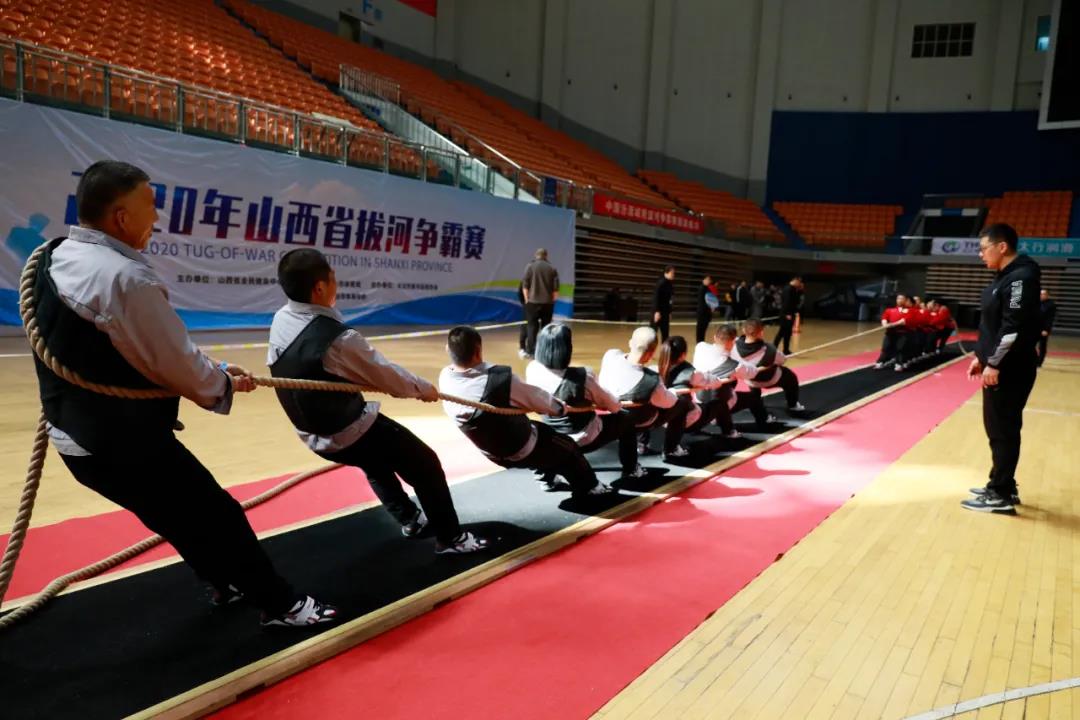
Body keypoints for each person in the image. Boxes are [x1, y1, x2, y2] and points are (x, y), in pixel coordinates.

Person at [29, 161, 335, 628]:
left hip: (75, 440)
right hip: (119, 443)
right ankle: (282, 606)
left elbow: (135, 351)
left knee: (173, 517)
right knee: (219, 515)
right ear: (121, 217)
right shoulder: (125, 278)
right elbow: (177, 365)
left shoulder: (53, 254)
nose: (157, 217)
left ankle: (222, 582)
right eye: (150, 206)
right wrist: (220, 382)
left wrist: (213, 372)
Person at [268, 248, 488, 555]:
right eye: (332, 277)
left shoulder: (281, 318)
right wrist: (423, 389)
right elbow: (388, 376)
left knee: (374, 459)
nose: (336, 282)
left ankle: (410, 519)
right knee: (425, 464)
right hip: (343, 430)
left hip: (312, 432)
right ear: (319, 287)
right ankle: (451, 539)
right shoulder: (339, 340)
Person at [439, 326, 613, 499]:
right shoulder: (501, 380)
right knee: (568, 447)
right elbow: (540, 400)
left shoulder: (445, 377)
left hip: (492, 451)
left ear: (448, 350)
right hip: (519, 446)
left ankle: (547, 479)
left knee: (543, 433)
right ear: (478, 351)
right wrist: (560, 408)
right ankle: (591, 488)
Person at [963, 223, 1041, 515]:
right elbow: (994, 324)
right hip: (1001, 365)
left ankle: (1000, 494)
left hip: (1010, 369)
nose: (981, 254)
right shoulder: (1006, 277)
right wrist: (982, 357)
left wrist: (994, 362)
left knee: (1003, 430)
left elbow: (1013, 328)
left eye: (984, 249)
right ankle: (1001, 483)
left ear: (1002, 247)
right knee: (999, 428)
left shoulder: (1020, 279)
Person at [526, 323, 644, 481]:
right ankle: (631, 469)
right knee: (626, 419)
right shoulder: (583, 377)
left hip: (552, 435)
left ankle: (549, 479)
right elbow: (613, 405)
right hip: (582, 437)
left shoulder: (532, 369)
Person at [598, 326, 693, 459]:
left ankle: (640, 444)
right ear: (652, 353)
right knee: (681, 403)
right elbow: (669, 403)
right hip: (635, 420)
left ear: (630, 343)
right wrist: (672, 391)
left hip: (611, 413)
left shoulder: (610, 355)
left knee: (645, 400)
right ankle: (671, 449)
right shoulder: (652, 379)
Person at [693, 324, 774, 430]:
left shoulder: (700, 347)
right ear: (732, 342)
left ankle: (716, 417)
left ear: (715, 337)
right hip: (717, 403)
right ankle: (765, 419)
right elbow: (752, 373)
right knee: (754, 398)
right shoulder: (734, 365)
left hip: (699, 399)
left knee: (729, 382)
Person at [656, 336, 733, 437]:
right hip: (685, 421)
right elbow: (714, 382)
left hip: (664, 421)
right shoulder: (692, 374)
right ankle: (730, 432)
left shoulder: (655, 370)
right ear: (683, 355)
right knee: (720, 403)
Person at [736, 318, 806, 415]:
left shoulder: (734, 347)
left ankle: (756, 399)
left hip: (750, 380)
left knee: (751, 374)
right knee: (791, 378)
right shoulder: (770, 349)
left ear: (743, 330)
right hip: (769, 380)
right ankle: (793, 405)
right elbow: (782, 360)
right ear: (761, 333)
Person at [521, 247, 559, 358]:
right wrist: (552, 301)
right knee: (546, 328)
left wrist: (527, 300)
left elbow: (525, 286)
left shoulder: (530, 266)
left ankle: (531, 351)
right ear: (546, 256)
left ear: (536, 255)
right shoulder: (552, 268)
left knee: (532, 327)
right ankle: (545, 351)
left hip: (532, 302)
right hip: (547, 303)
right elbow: (556, 290)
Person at [874, 293, 910, 369]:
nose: (899, 300)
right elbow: (884, 318)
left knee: (900, 348)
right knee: (886, 347)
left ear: (905, 300)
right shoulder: (889, 310)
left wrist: (893, 324)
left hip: (902, 333)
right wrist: (885, 324)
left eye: (902, 299)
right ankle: (880, 362)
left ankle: (899, 363)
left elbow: (904, 321)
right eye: (898, 298)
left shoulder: (909, 311)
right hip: (890, 333)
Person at [773, 277, 803, 354]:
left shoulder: (793, 289)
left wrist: (799, 290)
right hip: (786, 314)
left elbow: (796, 301)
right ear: (795, 281)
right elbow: (787, 302)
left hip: (790, 313)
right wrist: (787, 314)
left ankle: (786, 349)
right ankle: (773, 349)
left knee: (788, 333)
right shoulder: (788, 289)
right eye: (799, 282)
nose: (799, 284)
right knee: (781, 332)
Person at [652, 266, 676, 341]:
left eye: (674, 273)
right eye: (672, 273)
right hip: (658, 313)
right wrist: (656, 312)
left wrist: (670, 312)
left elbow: (670, 300)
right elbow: (656, 298)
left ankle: (665, 348)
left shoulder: (670, 284)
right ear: (666, 273)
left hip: (665, 313)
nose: (673, 275)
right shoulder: (660, 283)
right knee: (652, 334)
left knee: (665, 334)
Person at [696, 275, 718, 344]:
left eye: (709, 280)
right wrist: (710, 306)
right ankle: (699, 343)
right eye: (707, 279)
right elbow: (702, 302)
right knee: (700, 329)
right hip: (702, 312)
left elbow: (711, 300)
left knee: (704, 329)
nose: (709, 281)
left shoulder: (708, 289)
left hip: (707, 312)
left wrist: (712, 306)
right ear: (703, 280)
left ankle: (702, 342)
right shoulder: (702, 289)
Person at [1037, 289, 1057, 367]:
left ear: (1047, 295)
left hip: (1043, 329)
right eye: (1040, 294)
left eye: (1043, 294)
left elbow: (1050, 319)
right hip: (1034, 328)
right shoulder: (1036, 303)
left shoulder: (1051, 305)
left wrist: (1046, 329)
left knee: (1042, 346)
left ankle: (1039, 362)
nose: (1041, 296)